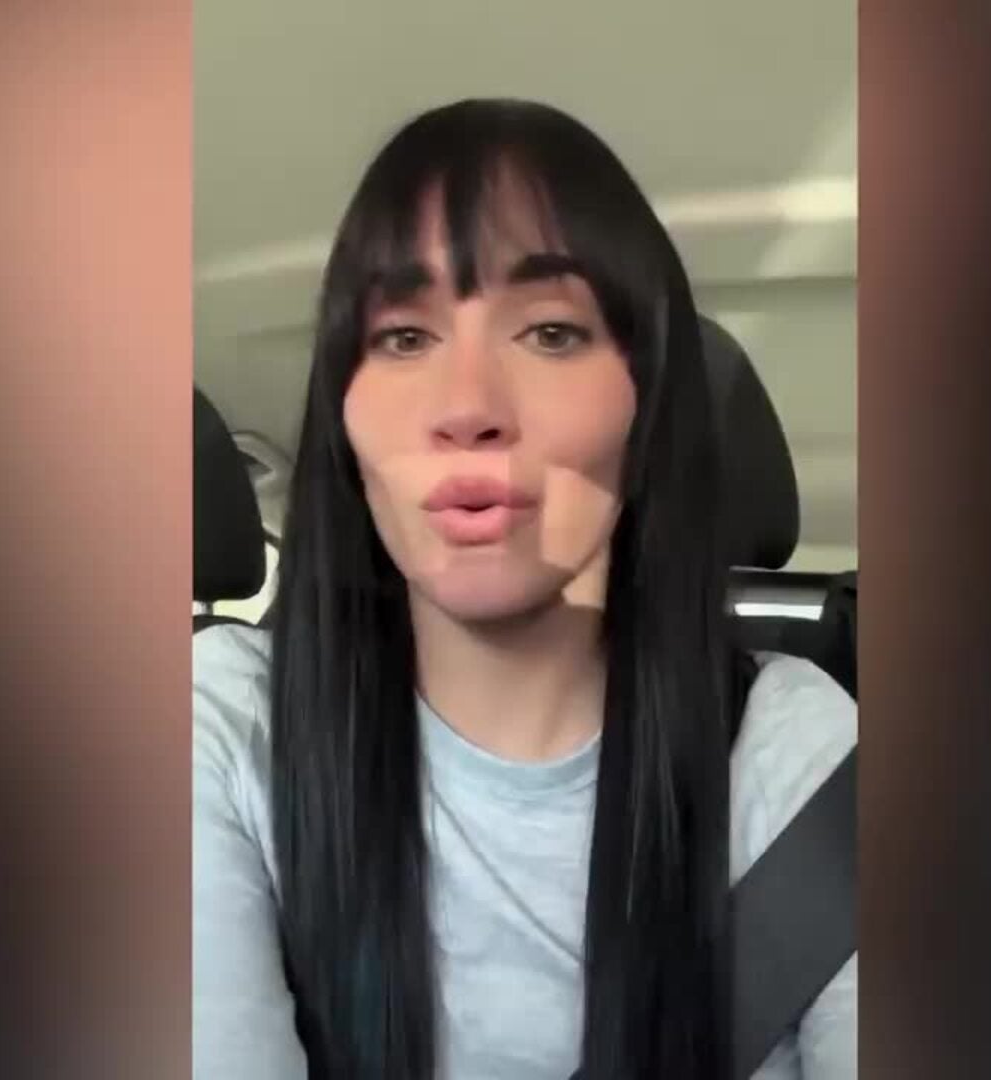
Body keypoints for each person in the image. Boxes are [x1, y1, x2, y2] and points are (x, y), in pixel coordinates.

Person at [195, 98, 857, 1079]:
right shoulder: (225, 727)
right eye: (403, 337)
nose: (467, 407)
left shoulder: (798, 756)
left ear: (648, 404)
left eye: (550, 331)